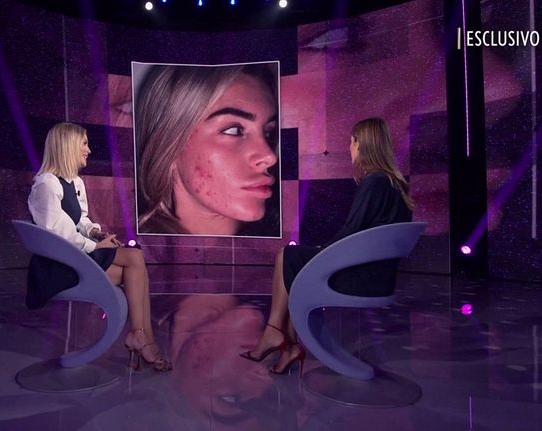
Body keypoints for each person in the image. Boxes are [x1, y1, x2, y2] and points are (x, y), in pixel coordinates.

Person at [240, 118, 414, 374]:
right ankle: (287, 344)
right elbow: (360, 236)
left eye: (352, 141)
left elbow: (351, 233)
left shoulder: (375, 182)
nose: (349, 148)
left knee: (287, 255)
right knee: (294, 260)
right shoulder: (394, 184)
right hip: (378, 277)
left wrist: (322, 253)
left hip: (363, 279)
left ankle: (274, 332)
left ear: (362, 144)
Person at [28, 122, 171, 371]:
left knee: (135, 266)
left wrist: (96, 233)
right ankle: (142, 337)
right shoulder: (47, 184)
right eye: (84, 144)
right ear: (68, 146)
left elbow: (79, 220)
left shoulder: (75, 182)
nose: (89, 150)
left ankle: (142, 335)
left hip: (74, 257)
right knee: (134, 259)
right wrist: (95, 247)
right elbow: (57, 234)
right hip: (56, 268)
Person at [134, 62, 281, 237]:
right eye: (234, 130)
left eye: (269, 132)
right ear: (168, 143)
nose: (269, 156)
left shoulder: (294, 240)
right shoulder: (121, 246)